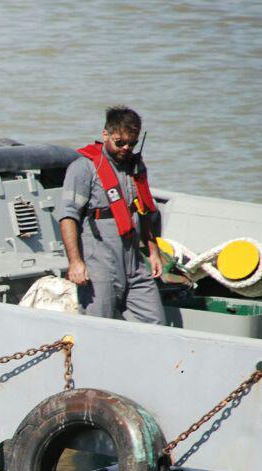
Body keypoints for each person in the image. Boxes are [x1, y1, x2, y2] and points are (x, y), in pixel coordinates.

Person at [58, 106, 165, 323]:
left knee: (156, 322)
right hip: (100, 261)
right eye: (120, 142)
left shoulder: (135, 167)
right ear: (105, 135)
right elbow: (68, 216)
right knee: (99, 325)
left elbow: (144, 210)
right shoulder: (84, 168)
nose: (126, 148)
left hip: (133, 261)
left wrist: (153, 251)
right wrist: (75, 262)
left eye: (132, 143)